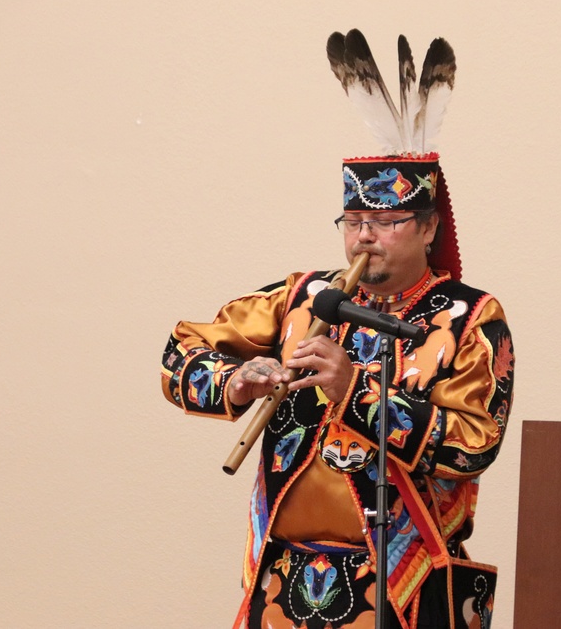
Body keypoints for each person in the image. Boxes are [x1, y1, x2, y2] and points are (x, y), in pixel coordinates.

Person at [159, 31, 514, 629]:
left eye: (385, 220)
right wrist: (236, 382)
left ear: (427, 228)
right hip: (284, 578)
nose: (364, 236)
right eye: (353, 220)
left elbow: (475, 444)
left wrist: (357, 391)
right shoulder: (303, 296)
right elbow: (180, 352)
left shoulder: (467, 316)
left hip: (405, 582)